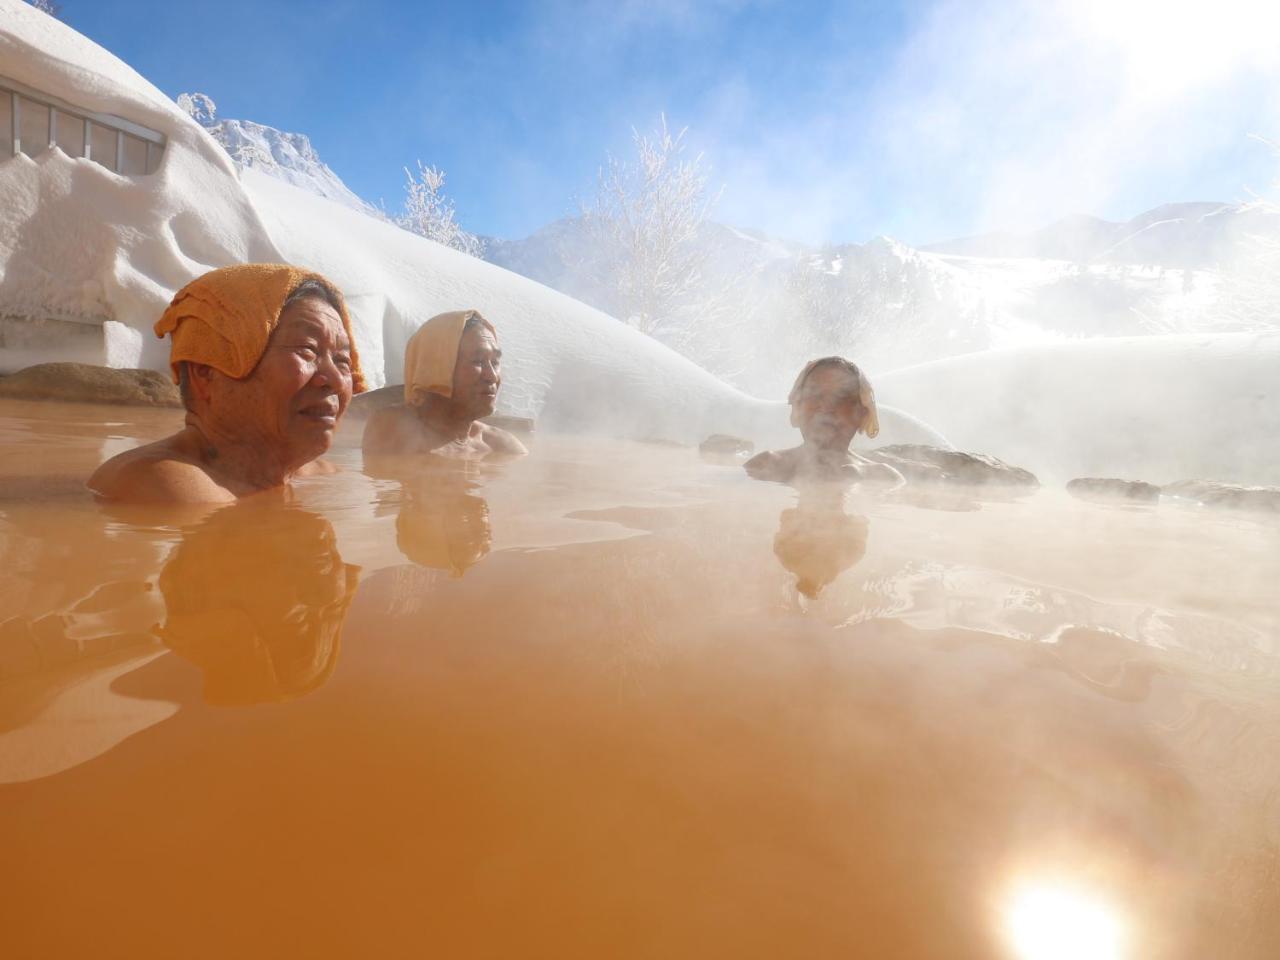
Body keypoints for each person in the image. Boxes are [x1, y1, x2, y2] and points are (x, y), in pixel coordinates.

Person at [88, 264, 365, 503]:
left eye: (342, 359)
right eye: (307, 350)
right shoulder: (164, 484)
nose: (335, 380)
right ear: (206, 373)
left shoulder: (323, 477)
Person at [361, 310, 527, 460]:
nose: (492, 376)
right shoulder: (393, 428)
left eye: (495, 362)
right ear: (435, 366)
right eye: (478, 361)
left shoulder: (501, 445)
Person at [744, 356, 903, 487]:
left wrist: (857, 486)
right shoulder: (768, 464)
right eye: (815, 396)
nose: (826, 408)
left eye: (841, 398)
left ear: (862, 413)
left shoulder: (882, 476)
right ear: (798, 406)